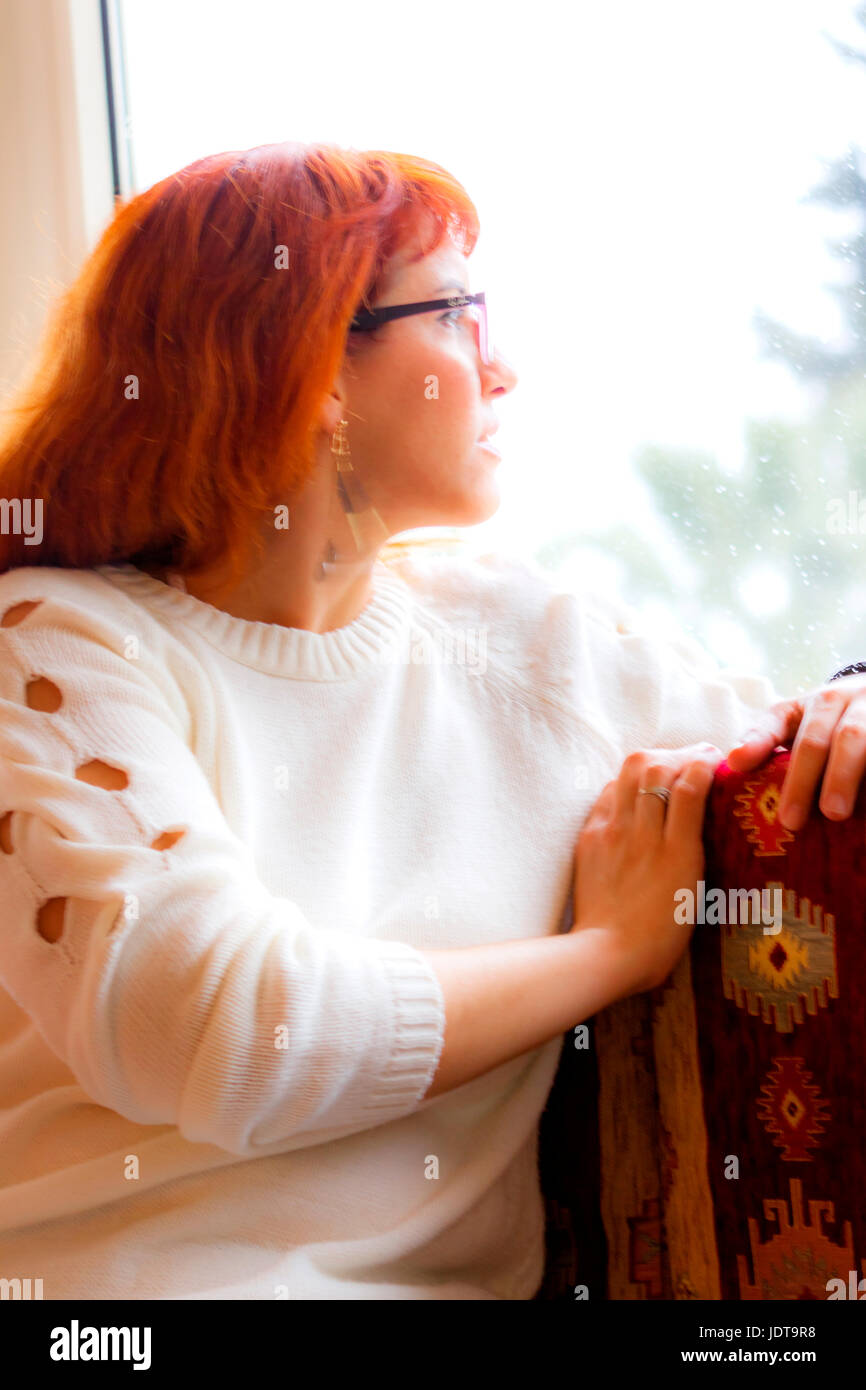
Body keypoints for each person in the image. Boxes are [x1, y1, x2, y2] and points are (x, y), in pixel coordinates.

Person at [0, 142, 864, 1302]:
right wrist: (606, 953)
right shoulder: (54, 645)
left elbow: (789, 736)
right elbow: (222, 1034)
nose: (502, 368)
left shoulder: (519, 635)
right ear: (305, 364)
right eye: (458, 313)